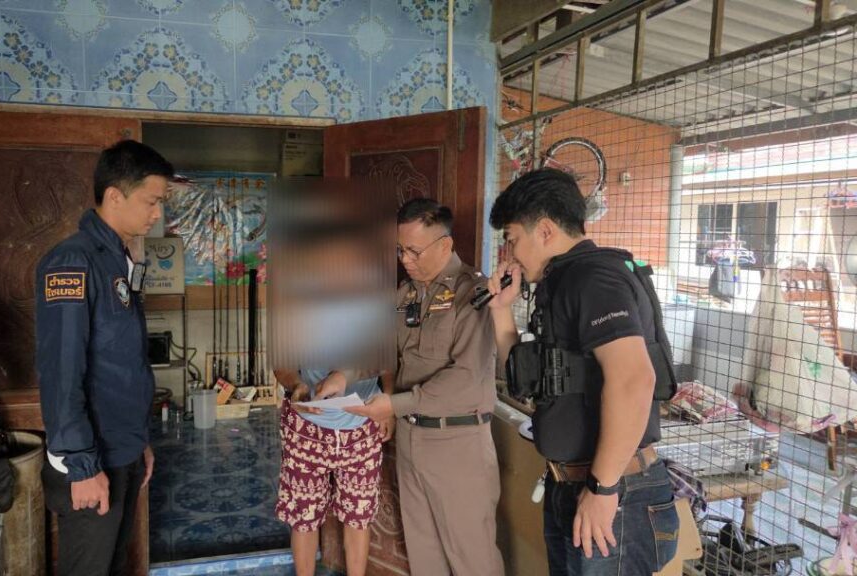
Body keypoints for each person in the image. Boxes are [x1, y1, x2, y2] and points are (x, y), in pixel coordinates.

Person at [486, 168, 679, 576]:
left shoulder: (593, 278)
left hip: (615, 491)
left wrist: (603, 488)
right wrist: (501, 309)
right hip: (574, 485)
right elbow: (523, 377)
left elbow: (634, 380)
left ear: (544, 230)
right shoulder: (561, 281)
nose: (509, 253)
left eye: (512, 239)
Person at [35, 140, 172, 576]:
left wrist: (138, 441)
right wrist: (81, 466)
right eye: (151, 201)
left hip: (121, 450)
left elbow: (122, 365)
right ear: (115, 195)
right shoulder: (72, 263)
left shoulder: (118, 259)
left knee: (114, 567)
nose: (157, 214)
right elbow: (61, 372)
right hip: (90, 461)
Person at [346, 198, 504, 576]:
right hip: (412, 439)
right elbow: (382, 347)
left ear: (445, 245)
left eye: (413, 251)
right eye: (400, 250)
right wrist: (344, 375)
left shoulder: (473, 293)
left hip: (457, 444)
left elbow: (464, 377)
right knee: (424, 557)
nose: (405, 259)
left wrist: (394, 405)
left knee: (472, 559)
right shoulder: (408, 294)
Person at [274, 369, 390, 576]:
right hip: (305, 429)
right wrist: (295, 385)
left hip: (362, 426)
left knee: (359, 516)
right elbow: (281, 363)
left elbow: (388, 362)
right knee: (303, 517)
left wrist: (389, 405)